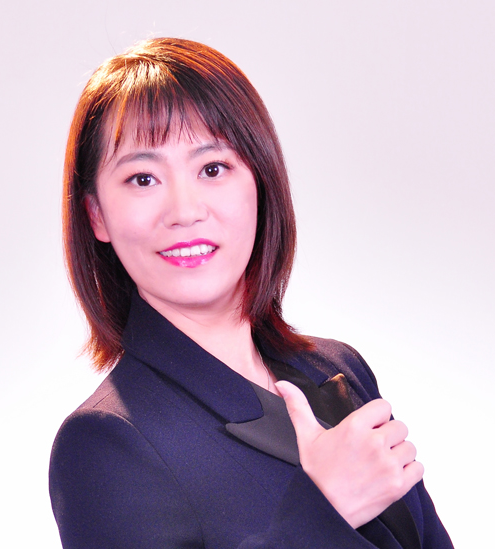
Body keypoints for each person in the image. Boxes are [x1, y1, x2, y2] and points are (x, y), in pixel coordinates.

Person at [49, 37, 453, 549]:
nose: (185, 211)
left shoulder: (338, 367)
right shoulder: (104, 442)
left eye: (212, 169)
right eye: (143, 178)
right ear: (97, 215)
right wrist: (323, 512)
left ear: (260, 182)